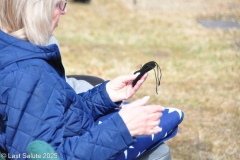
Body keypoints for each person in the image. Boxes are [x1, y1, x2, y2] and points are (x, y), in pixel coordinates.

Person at [0, 0, 183, 160]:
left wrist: (105, 95)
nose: (64, 11)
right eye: (58, 4)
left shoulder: (13, 52)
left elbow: (55, 112)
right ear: (36, 12)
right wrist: (122, 129)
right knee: (163, 133)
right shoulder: (31, 75)